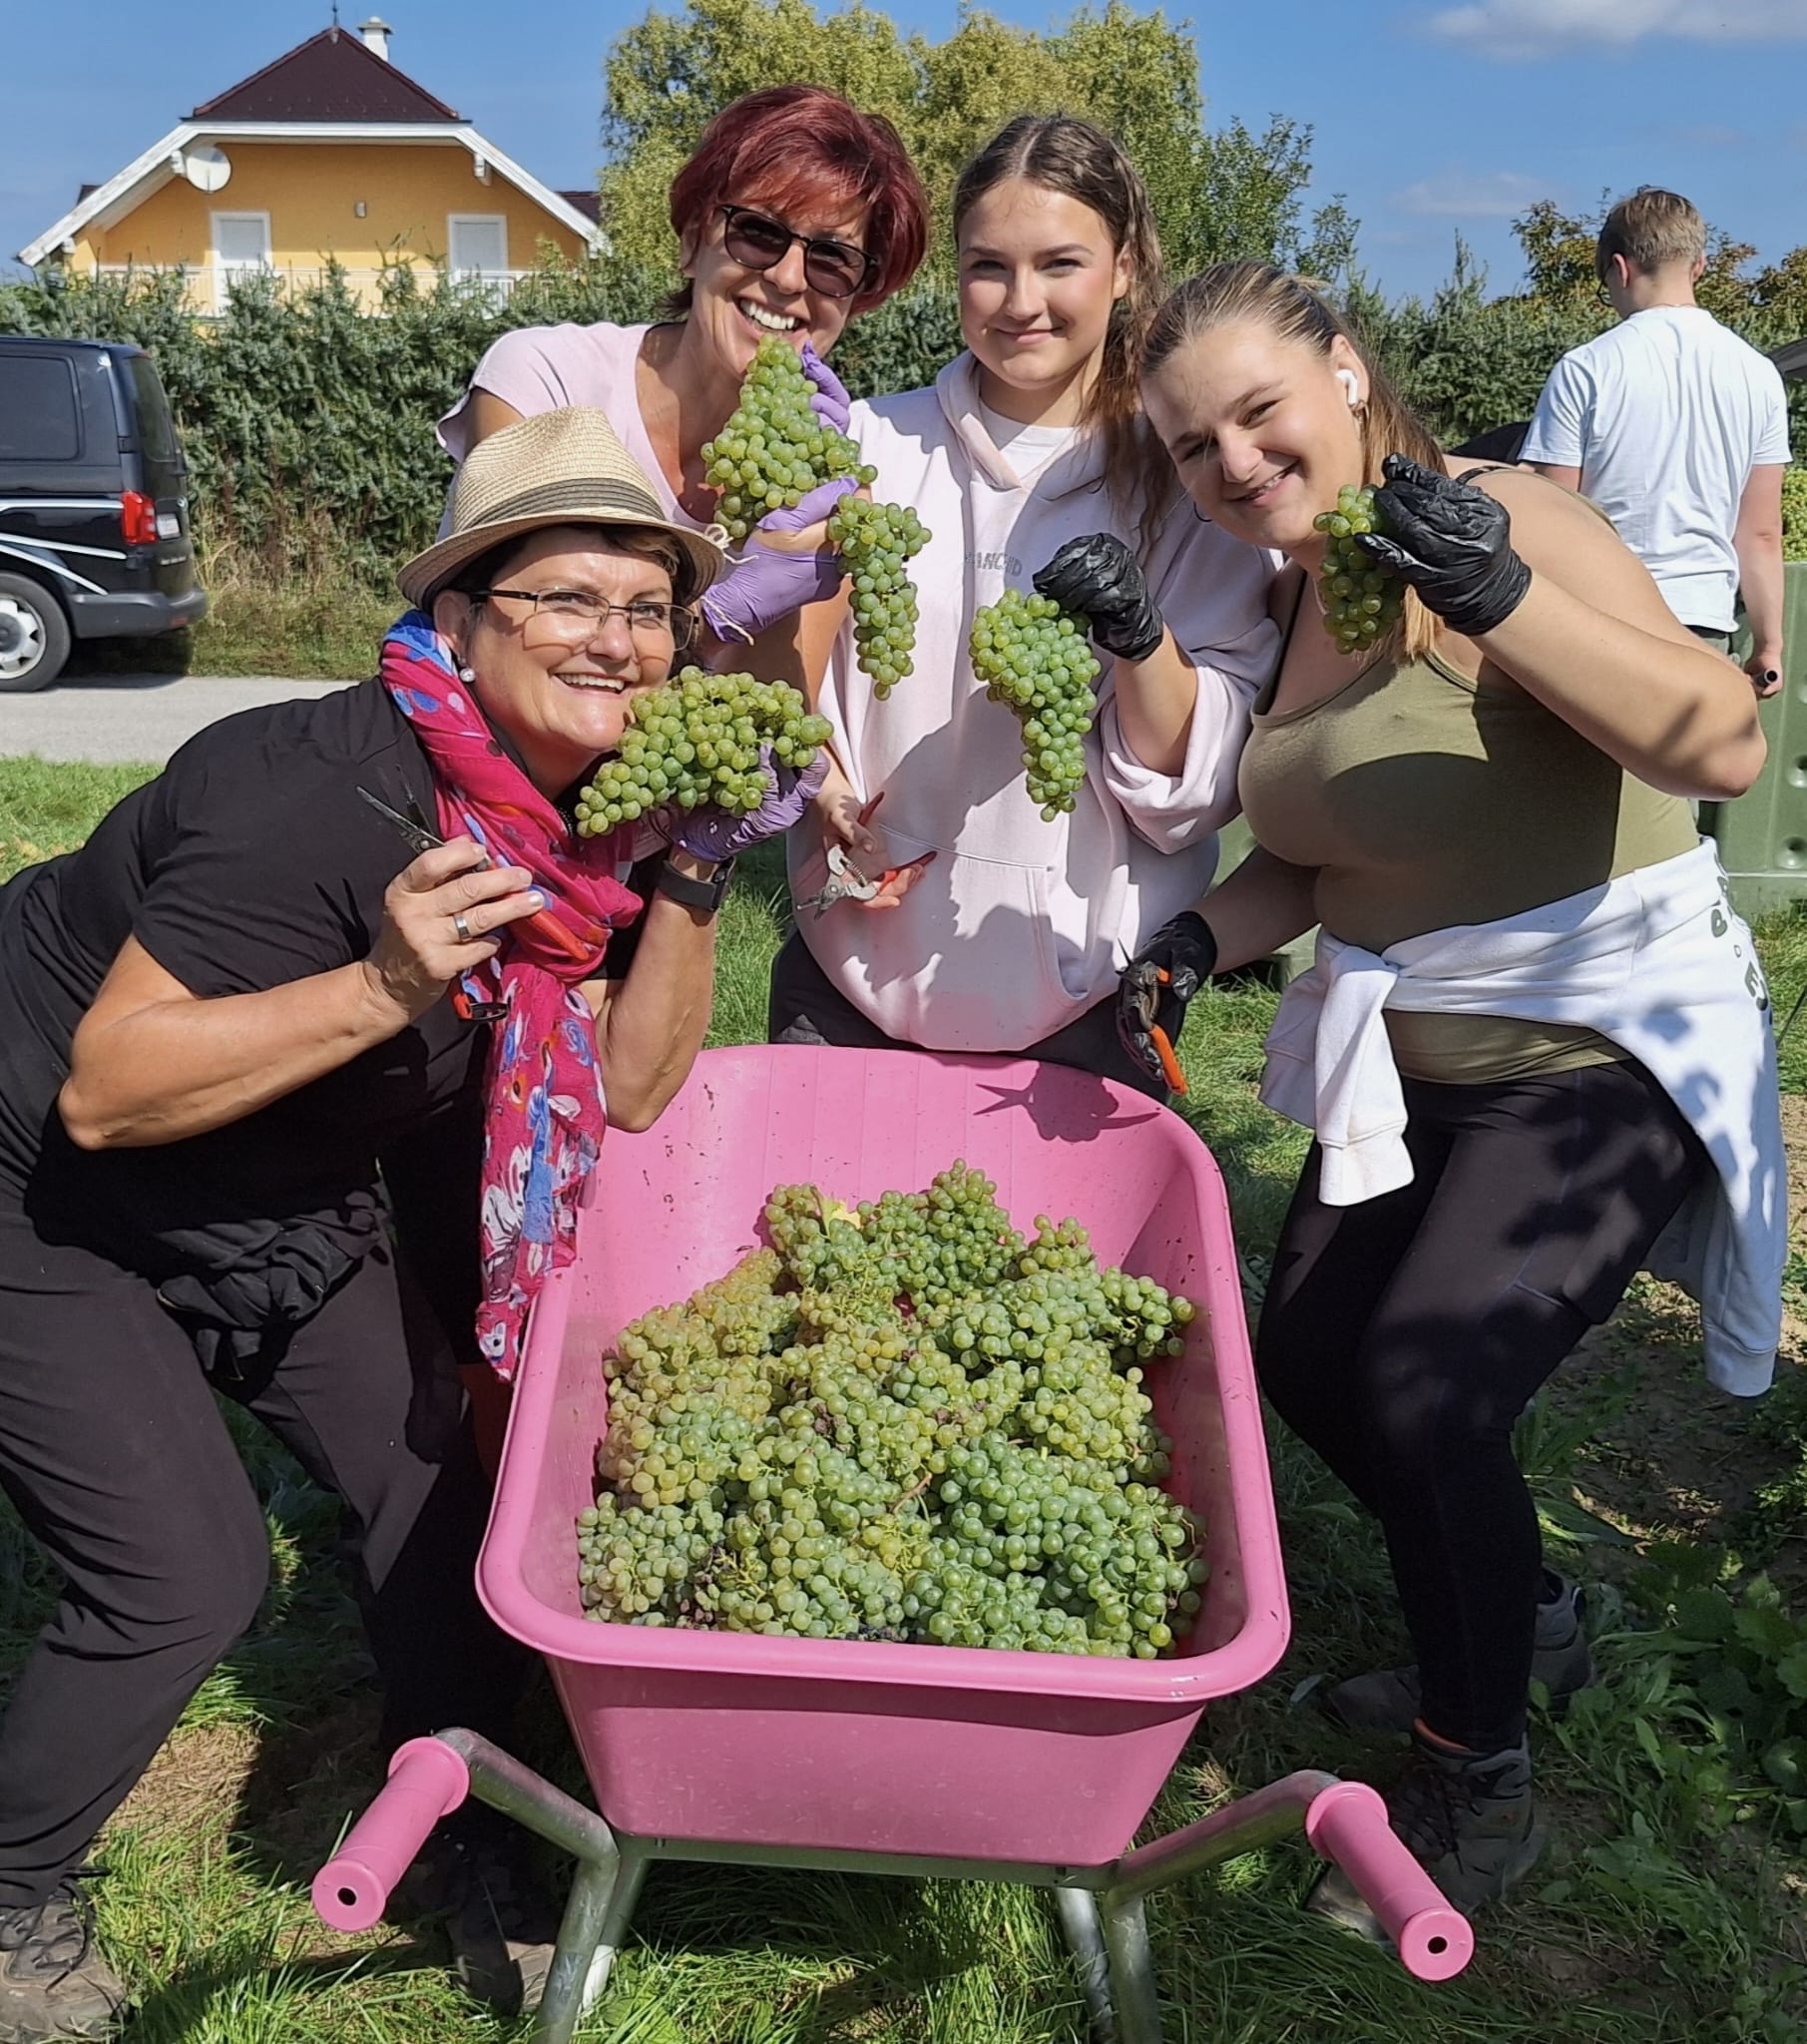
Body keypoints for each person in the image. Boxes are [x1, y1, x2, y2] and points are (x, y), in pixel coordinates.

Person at [0, 407, 821, 2040]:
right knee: (185, 1570)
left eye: (649, 608)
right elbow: (109, 1091)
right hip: (45, 1174)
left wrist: (698, 872)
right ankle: (14, 1887)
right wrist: (383, 983)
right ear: (460, 615)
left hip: (274, 1178)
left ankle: (455, 1816)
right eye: (569, 597)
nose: (619, 640)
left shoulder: (590, 815)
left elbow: (632, 1082)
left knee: (448, 1480)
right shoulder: (313, 798)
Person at [1125, 261, 1782, 1928]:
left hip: (1592, 1061)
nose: (1234, 462)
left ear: (1345, 372)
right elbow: (1324, 849)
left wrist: (1497, 595)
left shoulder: (1505, 518)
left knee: (1424, 1396)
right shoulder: (1297, 592)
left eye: (1258, 411)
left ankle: (1474, 1774)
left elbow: (1717, 742)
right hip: (1413, 1071)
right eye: (1194, 445)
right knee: (1305, 1362)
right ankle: (1521, 1621)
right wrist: (1196, 938)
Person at [767, 115, 1277, 1090]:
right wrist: (817, 784)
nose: (1021, 301)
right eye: (988, 267)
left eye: (1059, 264)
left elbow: (1192, 792)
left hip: (1087, 1003)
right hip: (847, 976)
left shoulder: (1187, 483)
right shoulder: (866, 448)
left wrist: (1139, 639)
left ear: (1125, 268)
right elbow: (780, 674)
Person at [440, 83, 930, 671]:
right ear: (694, 243)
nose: (789, 278)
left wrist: (778, 606)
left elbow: (769, 708)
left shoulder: (826, 497)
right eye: (759, 232)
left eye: (832, 258)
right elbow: (535, 653)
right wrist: (718, 616)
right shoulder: (547, 383)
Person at [1522, 188, 1791, 695]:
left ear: (1619, 269)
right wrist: (1770, 646)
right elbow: (1760, 534)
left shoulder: (1585, 369)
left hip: (1602, 620)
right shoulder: (1758, 375)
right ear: (1699, 266)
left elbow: (1556, 515)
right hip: (1704, 626)